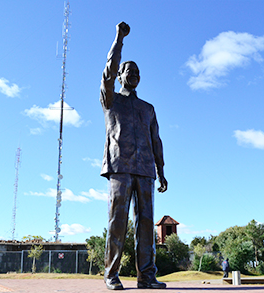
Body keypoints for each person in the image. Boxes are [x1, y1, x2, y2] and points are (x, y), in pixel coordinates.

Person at [100, 21, 168, 290]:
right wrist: (119, 38)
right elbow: (106, 73)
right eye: (129, 71)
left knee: (147, 225)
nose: (134, 74)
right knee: (117, 223)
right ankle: (111, 274)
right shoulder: (111, 100)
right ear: (120, 75)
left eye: (138, 72)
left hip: (146, 171)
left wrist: (161, 171)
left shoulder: (148, 108)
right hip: (120, 166)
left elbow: (156, 140)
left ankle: (146, 276)